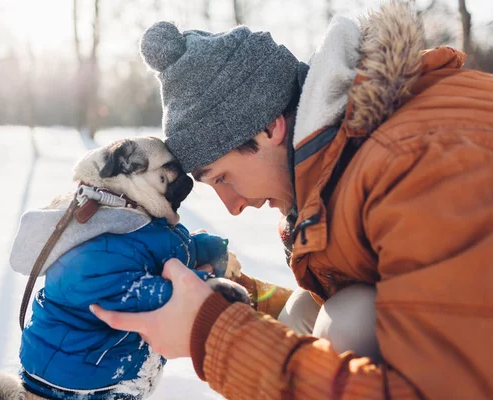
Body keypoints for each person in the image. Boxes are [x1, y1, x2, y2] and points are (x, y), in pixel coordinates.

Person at [90, 2, 493, 399]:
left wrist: (213, 335)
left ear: (268, 127)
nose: (233, 206)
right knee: (310, 310)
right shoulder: (352, 161)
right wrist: (232, 297)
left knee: (343, 324)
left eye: (223, 177)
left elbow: (443, 389)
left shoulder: (415, 161)